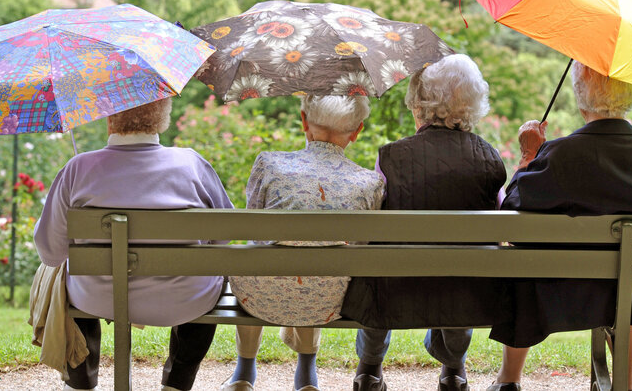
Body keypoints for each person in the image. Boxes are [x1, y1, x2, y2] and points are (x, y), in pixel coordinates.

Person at [486, 61, 632, 391]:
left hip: (558, 289)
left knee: (523, 258)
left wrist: (528, 156)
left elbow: (513, 215)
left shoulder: (557, 155)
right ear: (631, 95)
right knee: (631, 262)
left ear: (581, 99)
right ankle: (628, 379)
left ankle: (509, 379)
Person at [34, 97, 234, 391]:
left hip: (97, 296)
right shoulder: (191, 163)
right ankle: (177, 383)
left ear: (109, 119)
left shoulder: (78, 168)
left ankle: (80, 381)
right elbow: (224, 235)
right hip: (185, 301)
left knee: (57, 273)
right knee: (211, 268)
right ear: (162, 118)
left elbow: (51, 254)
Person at [343, 54, 507, 391]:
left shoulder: (390, 156)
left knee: (376, 266)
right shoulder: (490, 160)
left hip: (396, 289)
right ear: (474, 103)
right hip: (465, 293)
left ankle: (369, 369)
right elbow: (504, 224)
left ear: (421, 102)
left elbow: (370, 222)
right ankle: (453, 371)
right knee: (462, 270)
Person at [222, 95, 385, 391]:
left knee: (258, 259)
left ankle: (244, 373)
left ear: (304, 122)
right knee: (321, 269)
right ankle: (307, 374)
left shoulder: (269, 163)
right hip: (331, 300)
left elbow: (255, 231)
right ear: (357, 130)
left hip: (259, 294)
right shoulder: (369, 182)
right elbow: (361, 248)